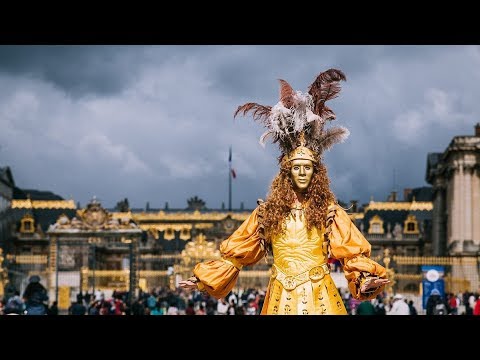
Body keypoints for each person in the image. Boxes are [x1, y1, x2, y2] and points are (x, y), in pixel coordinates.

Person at [179, 69, 389, 314]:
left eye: (307, 168)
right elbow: (235, 256)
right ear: (287, 172)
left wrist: (365, 279)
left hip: (320, 296)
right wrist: (203, 279)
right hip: (281, 297)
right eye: (296, 168)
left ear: (315, 173)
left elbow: (351, 256)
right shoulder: (267, 214)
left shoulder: (330, 213)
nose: (301, 173)